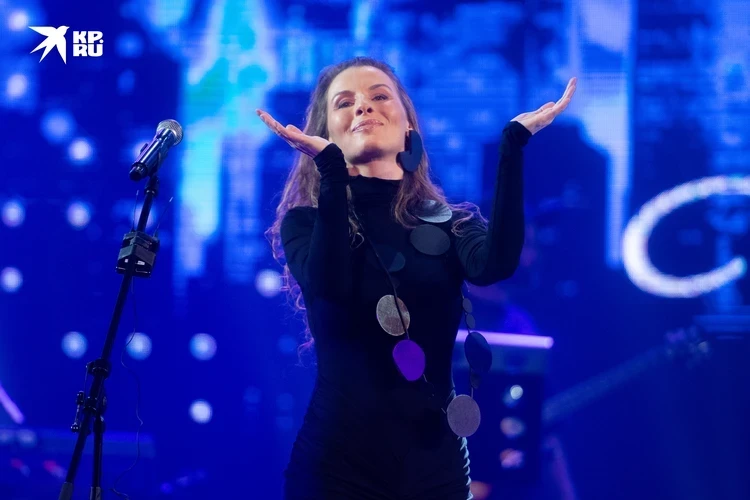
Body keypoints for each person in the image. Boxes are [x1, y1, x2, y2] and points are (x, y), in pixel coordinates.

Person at [259, 56, 576, 500]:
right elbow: (329, 286)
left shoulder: (451, 224)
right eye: (345, 103)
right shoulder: (306, 223)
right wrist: (332, 172)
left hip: (435, 468)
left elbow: (496, 265)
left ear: (408, 124)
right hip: (336, 468)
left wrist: (512, 145)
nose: (363, 107)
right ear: (325, 134)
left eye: (379, 96)